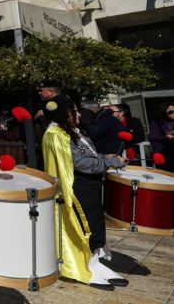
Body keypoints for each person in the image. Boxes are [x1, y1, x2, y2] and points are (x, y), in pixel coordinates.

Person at [41, 94, 128, 290]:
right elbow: (79, 163)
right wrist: (111, 161)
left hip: (90, 185)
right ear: (65, 113)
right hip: (79, 187)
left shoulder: (70, 131)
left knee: (96, 225)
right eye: (74, 111)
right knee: (88, 227)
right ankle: (86, 267)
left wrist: (104, 156)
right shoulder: (56, 134)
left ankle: (96, 263)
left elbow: (86, 154)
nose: (79, 115)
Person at [148, 102, 174, 171]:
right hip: (166, 153)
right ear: (163, 112)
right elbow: (152, 137)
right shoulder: (157, 122)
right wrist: (165, 137)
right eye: (171, 112)